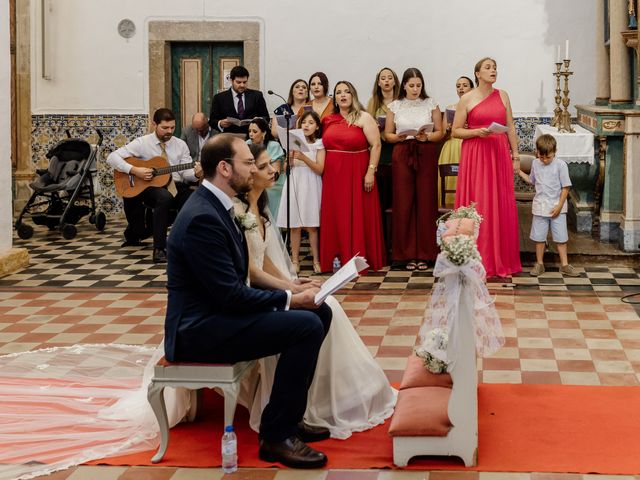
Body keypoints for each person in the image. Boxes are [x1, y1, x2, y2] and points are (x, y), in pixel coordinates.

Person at [164, 134, 332, 469]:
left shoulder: (221, 206)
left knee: (320, 312)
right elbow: (230, 295)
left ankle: (289, 417)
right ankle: (276, 436)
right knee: (305, 325)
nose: (254, 168)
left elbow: (243, 274)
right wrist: (290, 300)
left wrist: (292, 291)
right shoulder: (202, 218)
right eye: (248, 162)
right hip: (199, 330)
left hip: (220, 316)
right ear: (224, 168)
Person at [237, 143, 396, 439]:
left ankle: (328, 395)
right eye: (262, 166)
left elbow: (264, 260)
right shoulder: (238, 212)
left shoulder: (259, 207)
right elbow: (250, 269)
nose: (273, 170)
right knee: (320, 312)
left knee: (327, 304)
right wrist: (289, 290)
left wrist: (294, 282)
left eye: (271, 164)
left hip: (270, 287)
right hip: (251, 296)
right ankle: (315, 402)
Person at [452, 57, 522, 278]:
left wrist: (516, 155)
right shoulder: (466, 99)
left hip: (499, 153)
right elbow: (455, 131)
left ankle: (501, 259)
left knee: (500, 202)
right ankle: (474, 258)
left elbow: (510, 126)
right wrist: (476, 132)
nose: (493, 71)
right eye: (488, 68)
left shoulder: (503, 95)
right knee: (479, 201)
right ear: (477, 74)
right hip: (476, 154)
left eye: (495, 68)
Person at [107, 108, 201, 263]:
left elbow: (186, 174)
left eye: (172, 127)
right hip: (150, 188)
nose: (169, 131)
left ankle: (189, 245)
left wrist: (197, 174)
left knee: (194, 198)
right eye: (165, 128)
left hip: (176, 186)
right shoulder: (142, 143)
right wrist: (135, 170)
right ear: (154, 125)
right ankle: (159, 249)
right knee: (164, 198)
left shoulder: (180, 145)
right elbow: (112, 157)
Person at [320, 80, 386, 272]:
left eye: (347, 91)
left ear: (353, 95)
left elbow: (376, 145)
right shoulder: (328, 120)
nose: (343, 95)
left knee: (358, 214)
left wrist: (370, 172)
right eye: (338, 92)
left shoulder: (364, 117)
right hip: (333, 176)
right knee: (336, 215)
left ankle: (359, 258)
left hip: (357, 173)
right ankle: (337, 257)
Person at [384, 68, 444, 271]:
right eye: (411, 85)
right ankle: (405, 254)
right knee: (404, 202)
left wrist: (427, 137)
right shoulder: (395, 105)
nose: (415, 89)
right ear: (404, 86)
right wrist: (398, 137)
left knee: (426, 202)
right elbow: (388, 134)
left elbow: (440, 132)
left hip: (425, 153)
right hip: (402, 152)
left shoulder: (431, 103)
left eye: (418, 85)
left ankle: (426, 254)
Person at [518, 134, 580, 277]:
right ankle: (539, 264)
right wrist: (519, 172)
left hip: (556, 207)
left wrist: (559, 206)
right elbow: (532, 180)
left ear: (555, 152)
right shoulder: (535, 163)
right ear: (537, 152)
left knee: (561, 238)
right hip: (540, 206)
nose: (545, 160)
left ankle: (565, 265)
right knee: (539, 238)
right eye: (541, 157)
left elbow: (566, 187)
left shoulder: (560, 165)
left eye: (548, 157)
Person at [276, 111, 325, 274]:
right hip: (295, 182)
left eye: (311, 123)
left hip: (311, 183)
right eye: (304, 122)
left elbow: (319, 169)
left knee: (311, 226)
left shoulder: (319, 143)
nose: (306, 125)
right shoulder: (293, 142)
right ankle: (295, 260)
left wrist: (303, 158)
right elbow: (285, 169)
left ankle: (316, 260)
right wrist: (289, 159)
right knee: (294, 225)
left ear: (317, 126)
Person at [366, 67, 400, 222]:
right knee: (382, 196)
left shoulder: (401, 101)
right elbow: (366, 125)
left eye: (389, 77)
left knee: (398, 195)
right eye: (383, 78)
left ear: (395, 81)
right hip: (380, 149)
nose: (386, 80)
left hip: (398, 146)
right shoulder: (373, 102)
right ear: (378, 82)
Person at [438, 76, 474, 207]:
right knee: (450, 180)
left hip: (468, 145)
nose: (461, 88)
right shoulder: (450, 108)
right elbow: (442, 135)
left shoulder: (475, 107)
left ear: (472, 88)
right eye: (458, 86)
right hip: (451, 147)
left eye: (465, 85)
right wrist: (448, 129)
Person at [209, 65, 270, 136]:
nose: (242, 85)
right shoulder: (219, 98)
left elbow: (266, 117)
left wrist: (259, 120)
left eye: (244, 82)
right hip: (229, 138)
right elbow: (212, 121)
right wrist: (220, 123)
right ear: (231, 80)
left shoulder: (257, 96)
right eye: (238, 82)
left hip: (251, 138)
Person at [246, 117, 286, 218]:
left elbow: (275, 174)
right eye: (249, 131)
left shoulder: (273, 146)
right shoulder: (247, 145)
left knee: (267, 191)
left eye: (255, 131)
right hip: (255, 182)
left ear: (263, 133)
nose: (251, 134)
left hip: (274, 184)